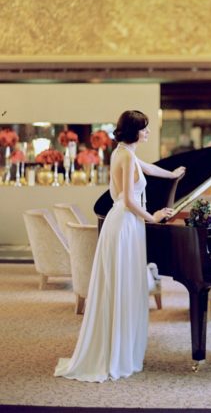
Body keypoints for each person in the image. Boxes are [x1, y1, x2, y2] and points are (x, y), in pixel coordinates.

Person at [54, 110, 185, 382]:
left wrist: (172, 174)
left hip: (127, 224)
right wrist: (154, 217)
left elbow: (148, 168)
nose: (148, 132)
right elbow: (127, 199)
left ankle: (122, 349)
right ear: (134, 130)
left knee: (124, 285)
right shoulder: (125, 155)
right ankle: (116, 354)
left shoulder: (125, 152)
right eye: (145, 128)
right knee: (122, 285)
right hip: (125, 223)